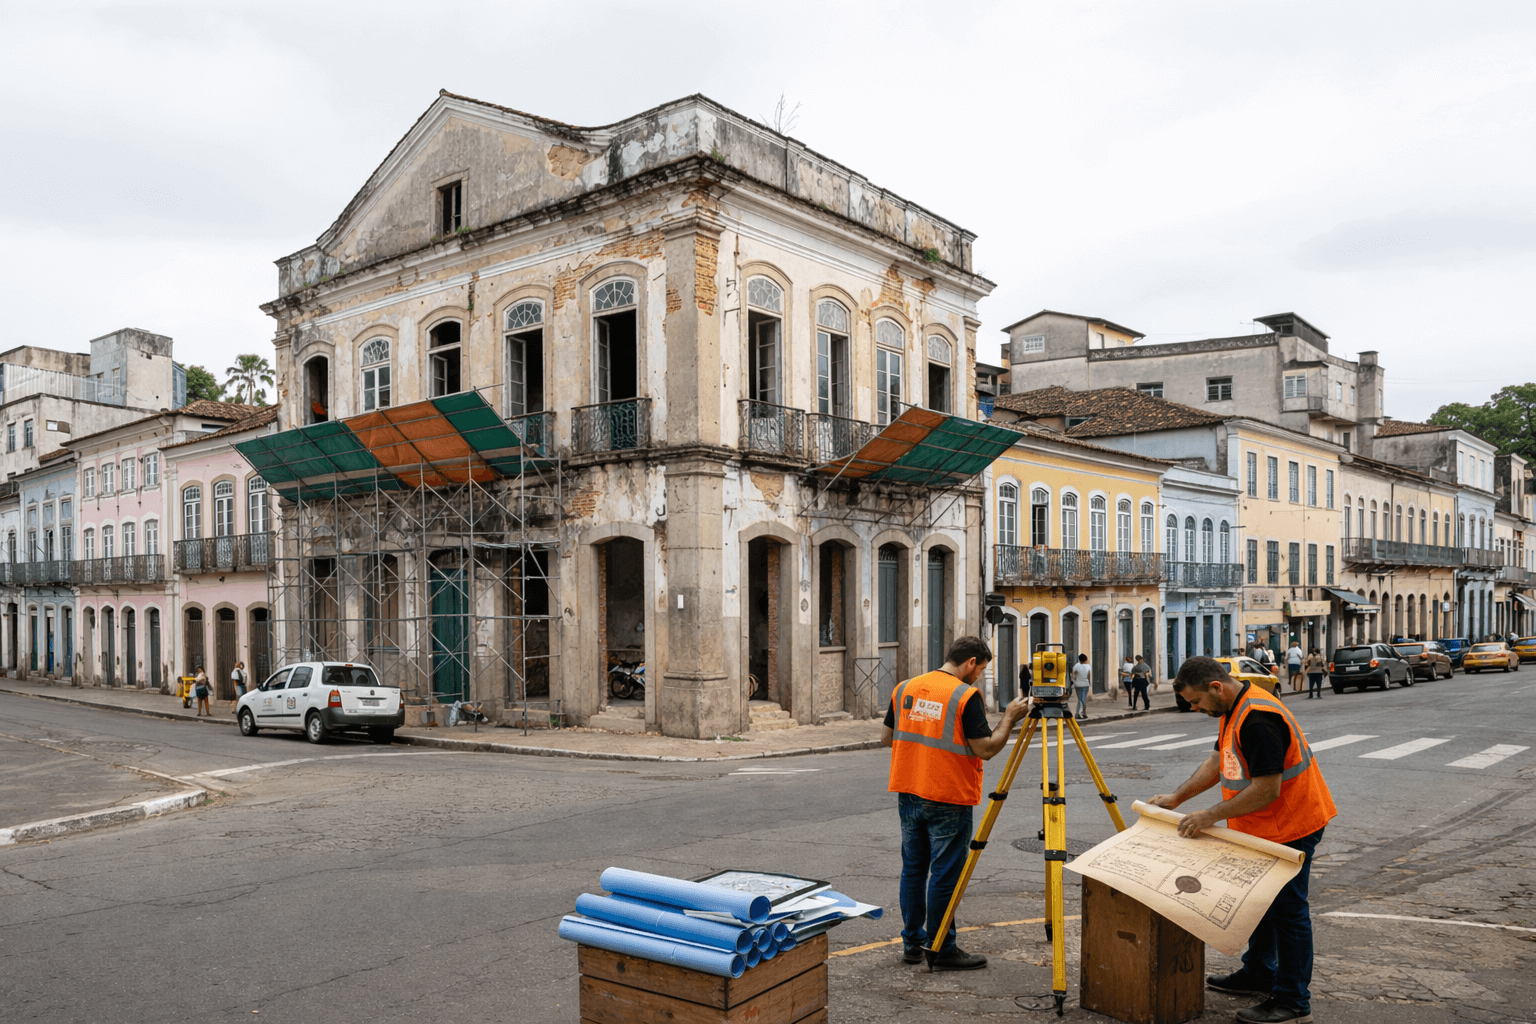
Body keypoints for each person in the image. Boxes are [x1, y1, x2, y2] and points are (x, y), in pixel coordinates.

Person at [1148, 656, 1337, 1024]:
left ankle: (1294, 1002)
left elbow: (1267, 789)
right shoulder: (1232, 710)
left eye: (1195, 701)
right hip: (1264, 828)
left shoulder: (1258, 719)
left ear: (1216, 688)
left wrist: (1209, 816)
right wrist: (1177, 798)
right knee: (1262, 903)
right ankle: (1259, 973)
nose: (1193, 708)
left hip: (1291, 827)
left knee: (1289, 913)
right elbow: (1220, 760)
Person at [882, 636, 1032, 971]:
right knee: (945, 875)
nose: (979, 676)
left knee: (914, 869)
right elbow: (986, 749)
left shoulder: (905, 687)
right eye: (980, 669)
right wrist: (1010, 717)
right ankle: (943, 948)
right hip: (948, 796)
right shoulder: (965, 696)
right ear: (971, 663)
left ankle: (912, 943)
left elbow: (886, 737)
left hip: (909, 792)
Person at [1070, 653, 1092, 719]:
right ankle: (1080, 713)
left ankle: (1082, 713)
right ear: (1086, 659)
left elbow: (1073, 676)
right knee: (1083, 699)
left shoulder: (1076, 666)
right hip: (1085, 684)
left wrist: (1074, 682)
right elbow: (1089, 676)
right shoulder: (1088, 666)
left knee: (1080, 699)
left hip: (1077, 685)